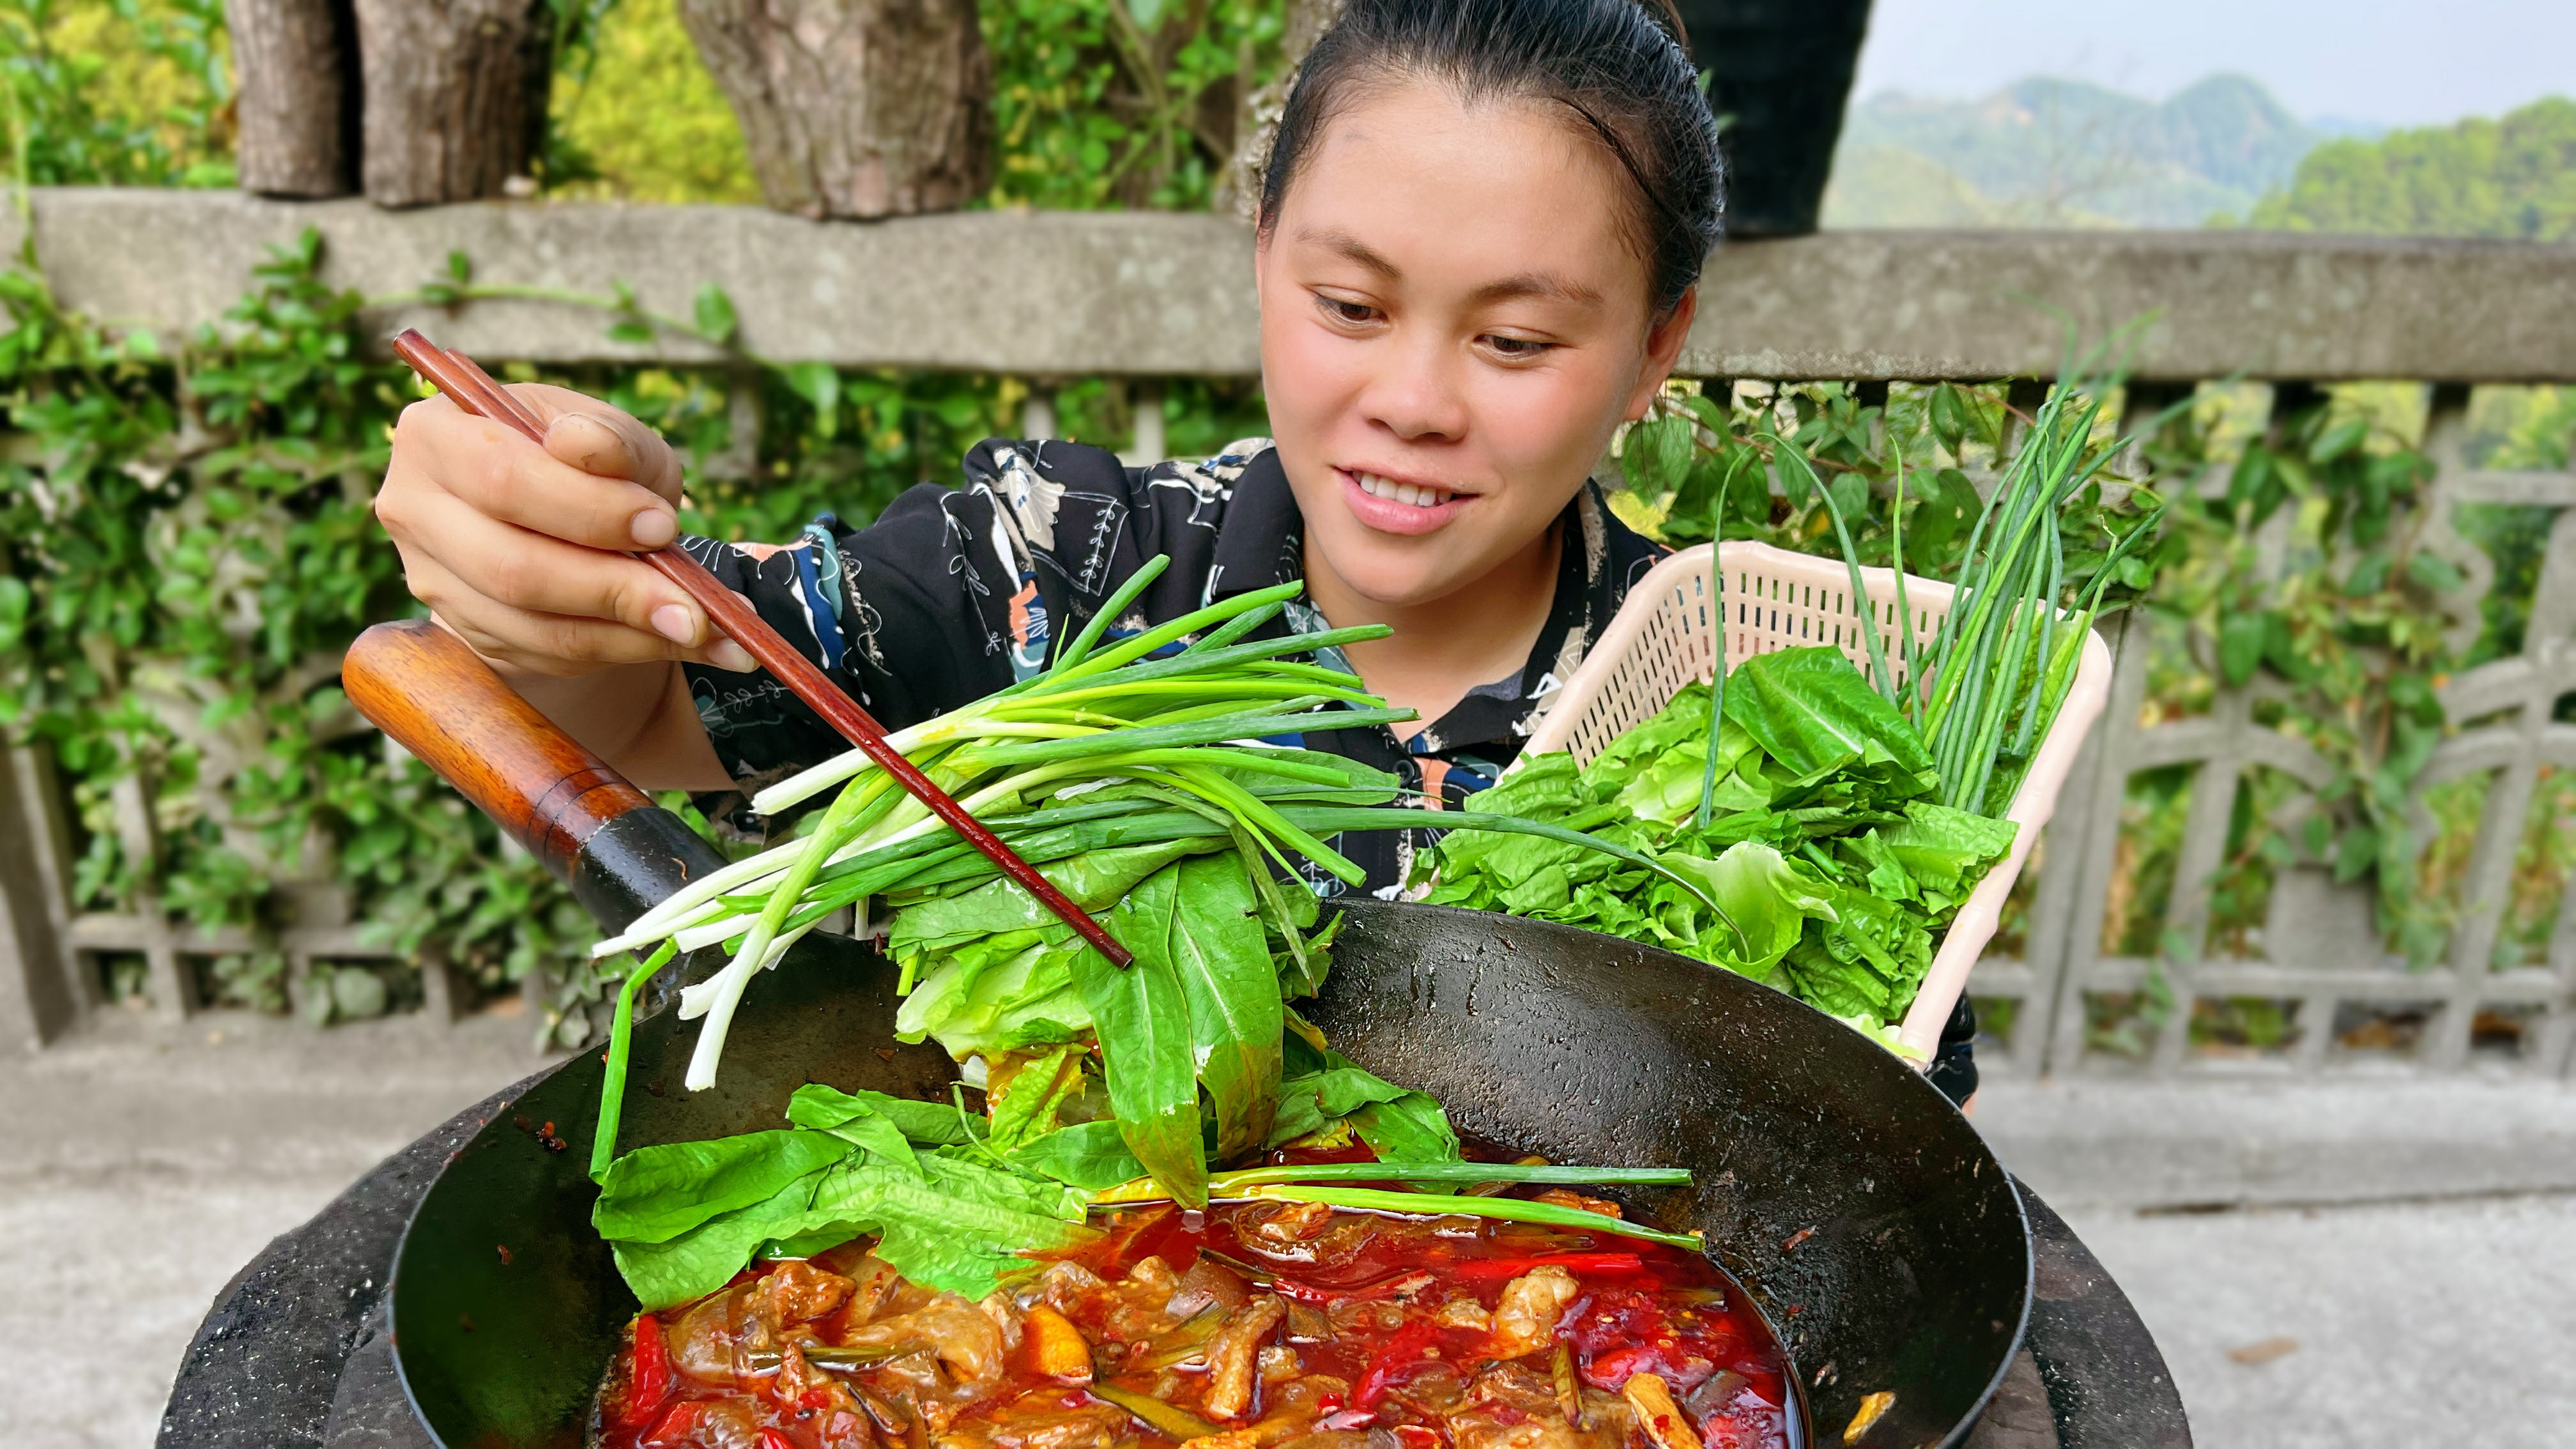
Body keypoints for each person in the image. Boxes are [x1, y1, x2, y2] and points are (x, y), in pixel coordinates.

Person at [374, 0, 1979, 1103]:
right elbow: (650, 712)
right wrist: (541, 584)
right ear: (1263, 253)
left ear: (1651, 351)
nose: (1410, 402)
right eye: (1349, 306)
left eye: (1516, 338)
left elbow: (1874, 1144)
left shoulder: (1734, 720)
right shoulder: (1056, 563)